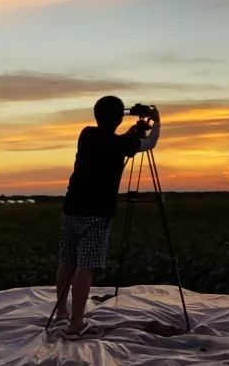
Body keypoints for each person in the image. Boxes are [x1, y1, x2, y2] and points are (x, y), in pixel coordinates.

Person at [53, 96, 160, 339]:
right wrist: (157, 122)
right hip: (96, 213)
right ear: (119, 118)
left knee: (67, 261)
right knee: (85, 267)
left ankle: (62, 313)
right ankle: (76, 325)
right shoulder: (120, 144)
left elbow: (113, 140)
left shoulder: (87, 134)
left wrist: (131, 132)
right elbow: (149, 143)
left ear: (96, 115)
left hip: (71, 208)